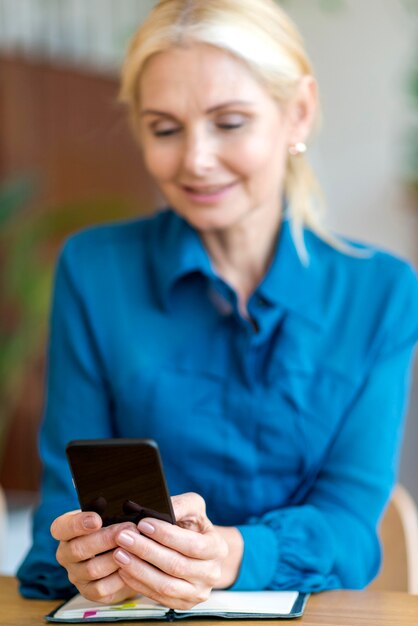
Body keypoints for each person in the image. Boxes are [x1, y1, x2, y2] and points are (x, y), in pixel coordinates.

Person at [17, 0, 418, 609]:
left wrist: (234, 554)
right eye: (165, 128)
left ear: (298, 114)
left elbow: (350, 529)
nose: (196, 161)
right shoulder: (95, 270)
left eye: (229, 122)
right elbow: (62, 506)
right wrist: (83, 554)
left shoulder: (380, 292)